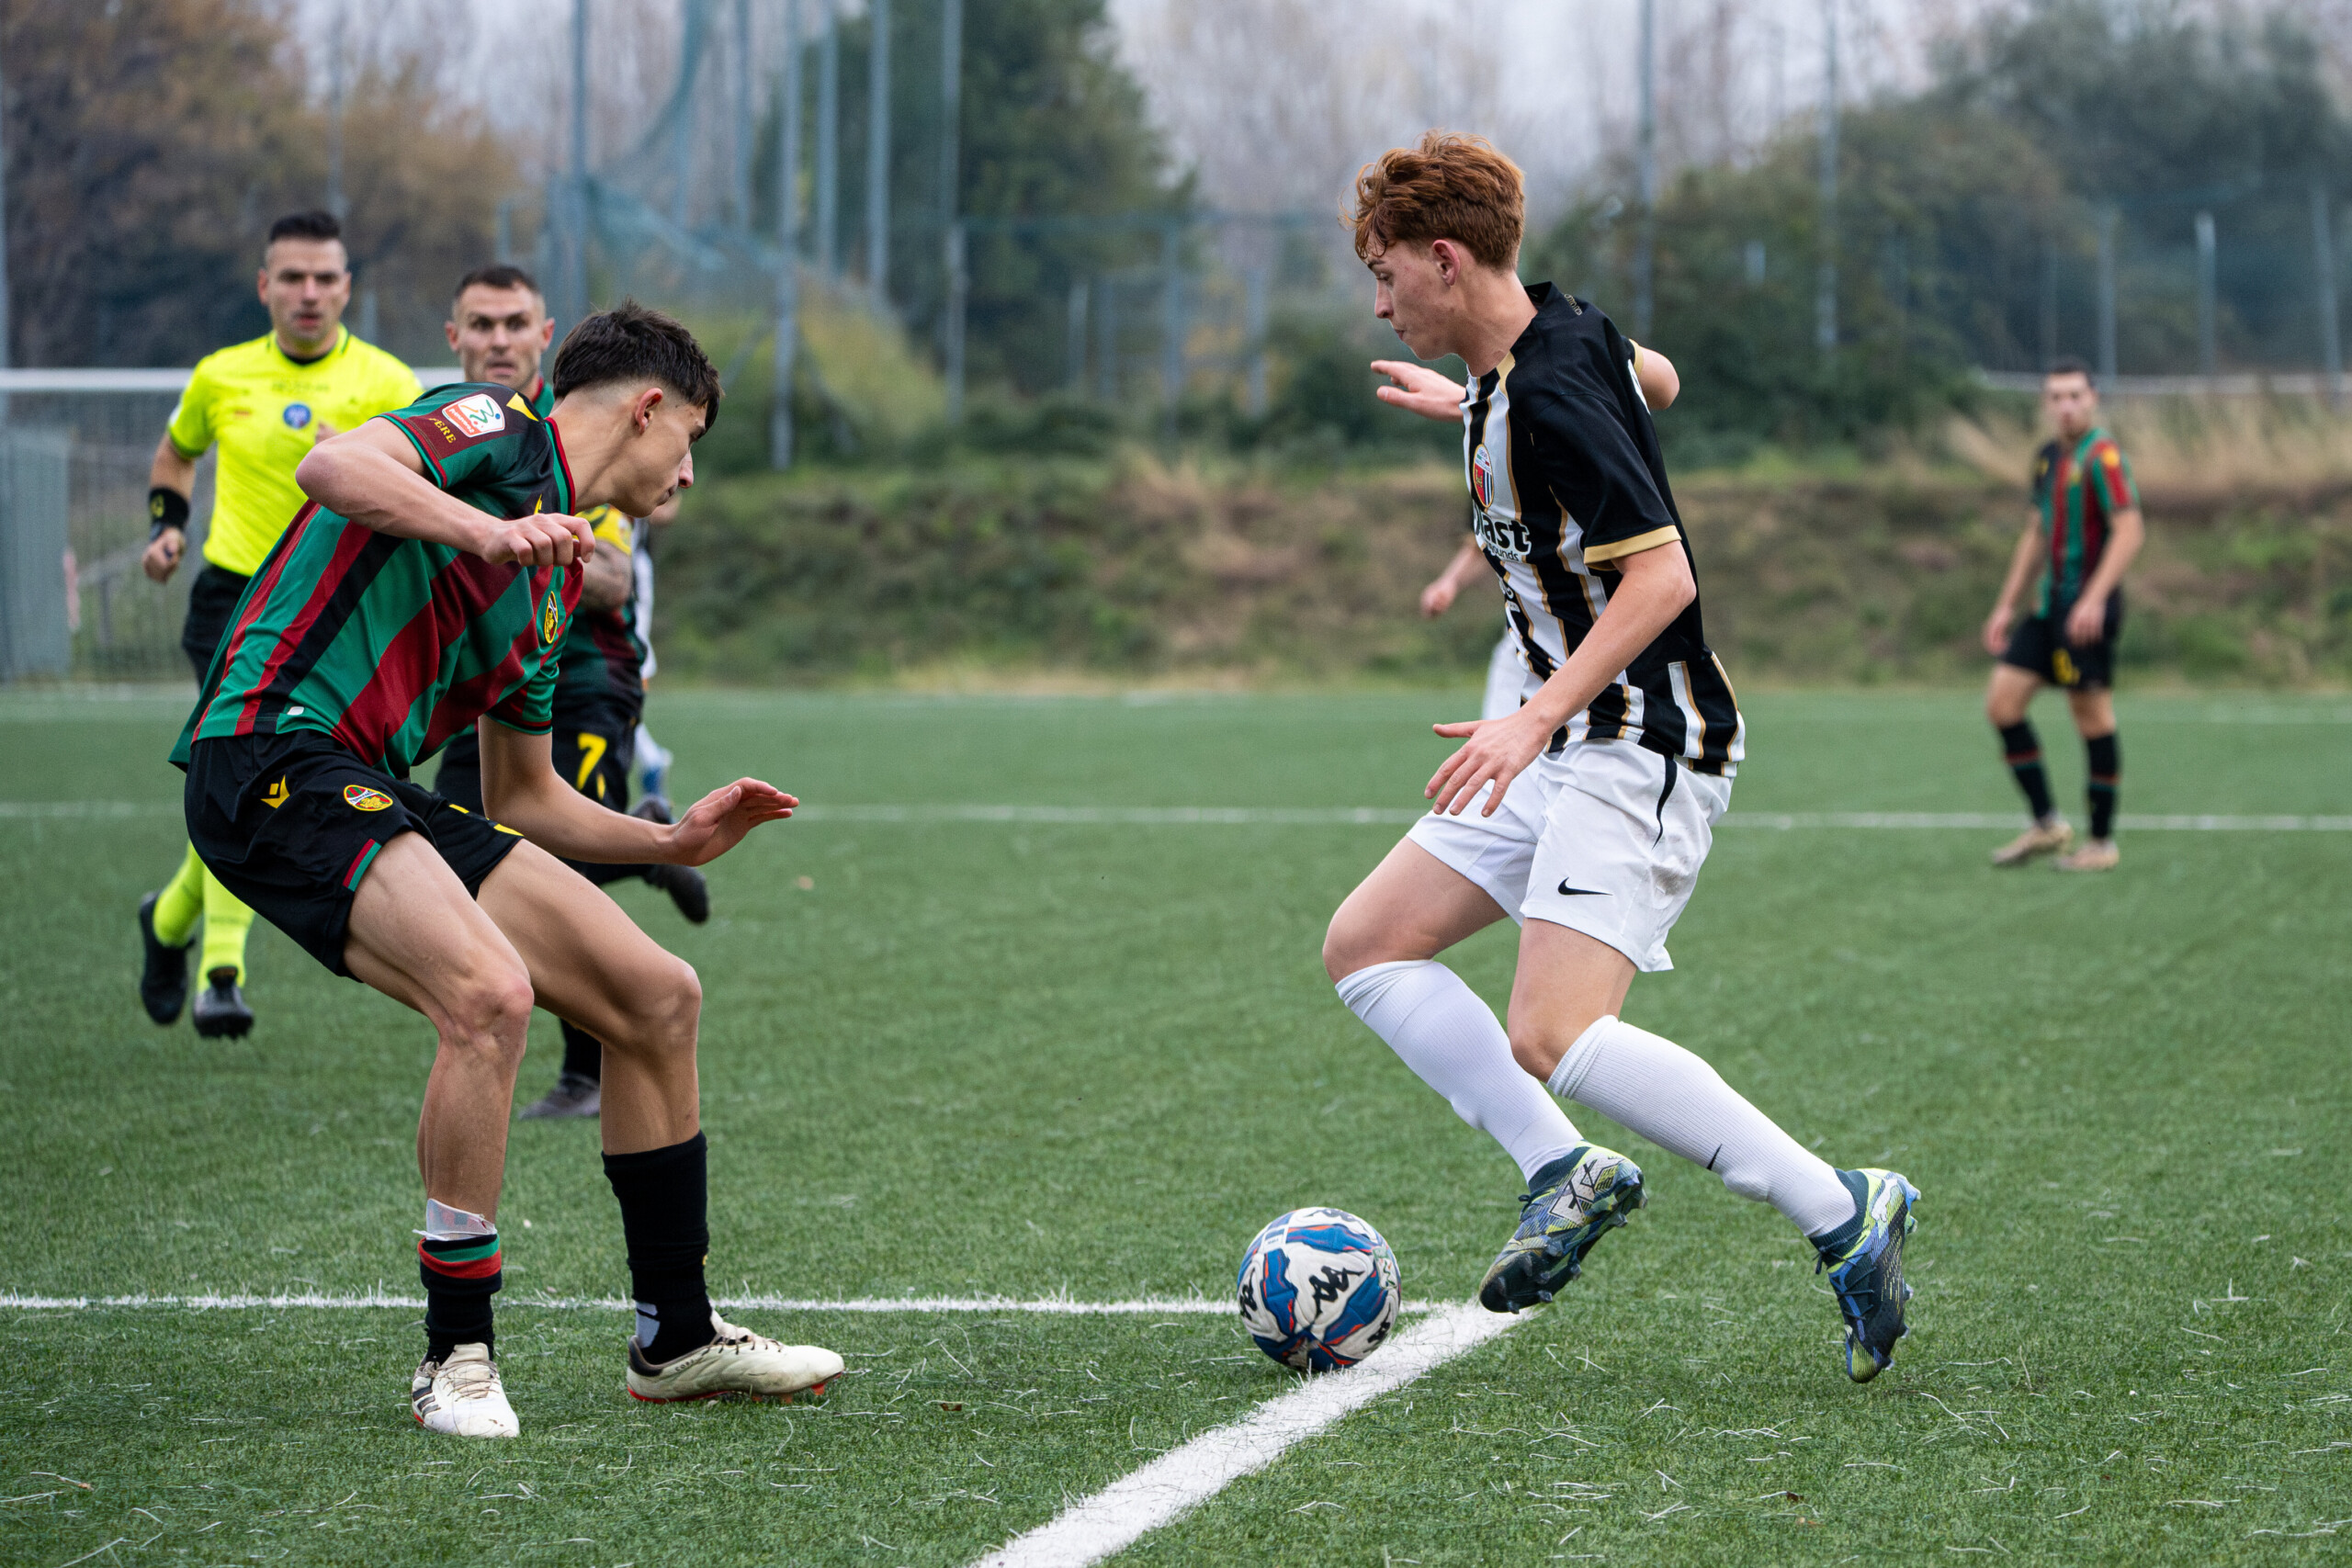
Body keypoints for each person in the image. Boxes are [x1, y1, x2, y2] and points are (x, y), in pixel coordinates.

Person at [173, 301, 840, 1436]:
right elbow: (336, 465)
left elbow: (526, 798)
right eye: (691, 442)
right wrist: (482, 531)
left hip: (370, 782)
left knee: (655, 995)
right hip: (270, 749)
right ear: (648, 408)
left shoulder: (550, 584)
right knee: (488, 995)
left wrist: (669, 841)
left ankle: (675, 1340)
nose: (685, 477)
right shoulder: (494, 430)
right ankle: (456, 1356)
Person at [1321, 131, 1918, 1383]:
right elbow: (1664, 373)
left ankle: (1839, 1208)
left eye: (1385, 273)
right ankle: (1563, 1166)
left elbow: (1664, 577)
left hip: (1640, 736)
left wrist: (1530, 716)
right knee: (1368, 944)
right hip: (1572, 736)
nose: (1378, 302)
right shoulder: (1554, 337)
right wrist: (1473, 396)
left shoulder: (1545, 387)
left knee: (1557, 1030)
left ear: (1445, 257)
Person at [428, 265, 707, 1121]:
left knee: (555, 857)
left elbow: (616, 573)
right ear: (456, 339)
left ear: (545, 340)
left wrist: (515, 542)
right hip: (487, 679)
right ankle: (639, 873)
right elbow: (343, 470)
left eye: (518, 324)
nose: (501, 340)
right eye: (484, 324)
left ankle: (588, 1065)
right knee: (460, 851)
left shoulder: (580, 442)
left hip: (585, 681)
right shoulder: (461, 430)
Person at [136, 210, 423, 1037]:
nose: (308, 292)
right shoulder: (221, 375)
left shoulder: (390, 384)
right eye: (291, 276)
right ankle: (222, 973)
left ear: (347, 289)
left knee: (253, 787)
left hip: (328, 615)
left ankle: (165, 924)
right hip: (232, 604)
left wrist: (367, 456)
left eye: (325, 277)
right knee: (241, 776)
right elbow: (174, 454)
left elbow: (434, 486)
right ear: (264, 285)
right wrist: (168, 525)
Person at [1418, 345, 1682, 722]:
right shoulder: (1491, 446)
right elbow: (1489, 540)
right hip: (1529, 643)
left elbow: (1666, 383)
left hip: (1599, 647)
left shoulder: (1574, 423)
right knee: (1496, 766)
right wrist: (1448, 584)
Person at [1982, 358, 2143, 873]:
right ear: (2046, 404)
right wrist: (2007, 603)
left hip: (2084, 613)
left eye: (2075, 395)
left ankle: (2101, 842)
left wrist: (2094, 599)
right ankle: (2047, 824)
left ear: (2093, 398)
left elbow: (2130, 530)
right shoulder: (2048, 458)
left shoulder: (2104, 457)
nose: (2066, 405)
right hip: (2047, 608)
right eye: (2056, 397)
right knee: (2003, 703)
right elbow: (2035, 532)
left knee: (2090, 715)